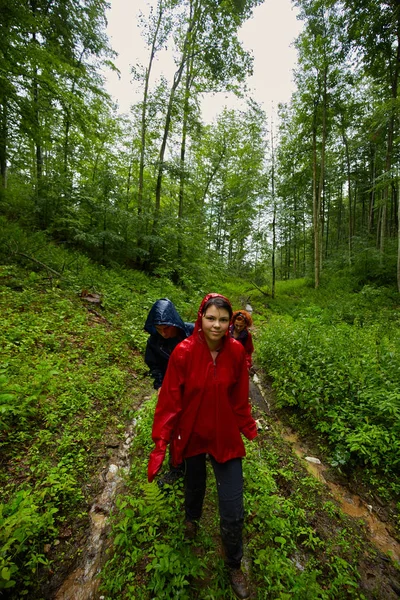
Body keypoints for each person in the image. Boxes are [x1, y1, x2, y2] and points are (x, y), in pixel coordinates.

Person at [147, 293, 257, 600]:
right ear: (200, 318)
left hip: (224, 436)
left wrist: (247, 426)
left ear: (230, 322)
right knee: (194, 484)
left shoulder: (235, 352)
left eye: (223, 320)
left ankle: (234, 563)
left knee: (233, 509)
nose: (217, 325)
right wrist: (160, 446)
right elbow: (170, 402)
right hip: (192, 433)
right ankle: (192, 519)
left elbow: (239, 398)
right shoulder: (183, 352)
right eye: (211, 318)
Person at [144, 298, 194, 485]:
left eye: (166, 327)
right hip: (172, 389)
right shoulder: (154, 342)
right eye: (158, 328)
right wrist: (160, 384)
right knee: (172, 428)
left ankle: (198, 457)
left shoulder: (191, 331)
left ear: (174, 322)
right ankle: (176, 467)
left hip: (195, 387)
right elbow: (154, 365)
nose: (163, 333)